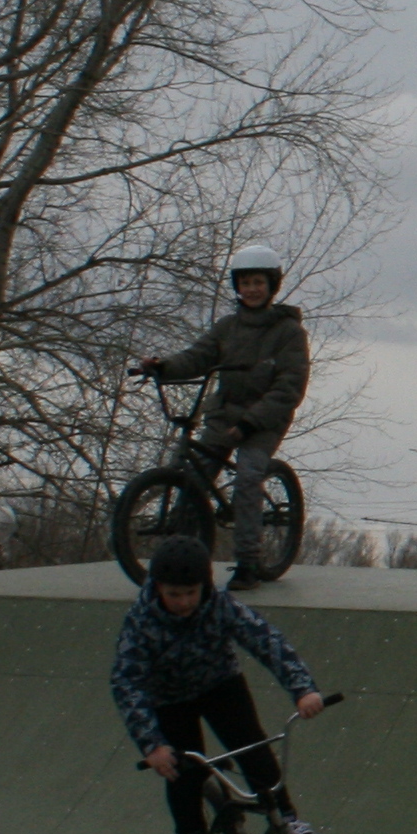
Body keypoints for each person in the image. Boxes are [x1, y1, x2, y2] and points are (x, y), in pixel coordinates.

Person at [114, 534, 325, 834]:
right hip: (169, 699)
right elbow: (126, 683)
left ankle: (286, 818)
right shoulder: (141, 623)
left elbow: (266, 641)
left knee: (252, 746)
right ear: (158, 589)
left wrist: (303, 689)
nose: (183, 603)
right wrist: (151, 744)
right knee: (183, 767)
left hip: (220, 685)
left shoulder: (220, 606)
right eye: (173, 595)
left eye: (190, 593)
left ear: (205, 587)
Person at [132, 244, 312, 582]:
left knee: (247, 478)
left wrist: (250, 422)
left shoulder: (289, 333)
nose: (252, 289)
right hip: (225, 414)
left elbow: (289, 387)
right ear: (237, 287)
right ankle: (180, 559)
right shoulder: (228, 327)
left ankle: (249, 562)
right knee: (194, 478)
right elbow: (197, 356)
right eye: (245, 283)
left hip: (262, 420)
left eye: (258, 282)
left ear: (272, 286)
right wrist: (163, 366)